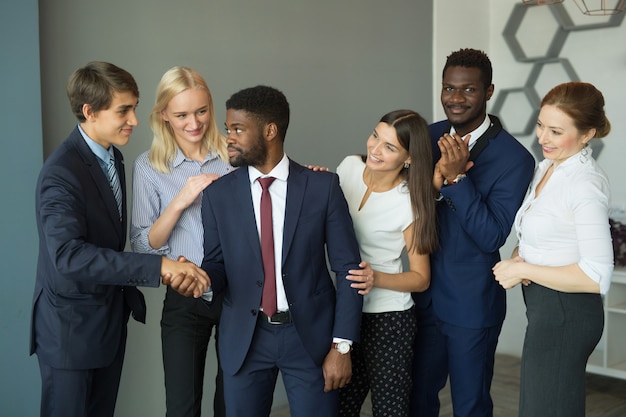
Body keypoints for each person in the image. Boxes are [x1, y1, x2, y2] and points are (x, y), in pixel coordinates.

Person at [30, 61, 209, 417]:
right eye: (123, 110)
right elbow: (69, 256)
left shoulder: (114, 157)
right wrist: (159, 265)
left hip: (105, 325)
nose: (135, 120)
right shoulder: (60, 173)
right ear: (89, 112)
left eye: (134, 107)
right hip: (71, 332)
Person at [200, 85, 365, 417]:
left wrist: (341, 346)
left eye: (237, 129)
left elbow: (348, 270)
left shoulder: (322, 188)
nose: (227, 137)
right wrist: (202, 281)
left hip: (310, 340)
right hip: (245, 340)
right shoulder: (218, 195)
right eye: (228, 128)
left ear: (270, 131)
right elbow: (216, 264)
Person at [409, 48, 535, 417]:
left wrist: (456, 178)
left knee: (470, 405)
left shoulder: (515, 159)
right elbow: (393, 191)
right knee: (417, 398)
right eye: (449, 89)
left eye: (468, 90)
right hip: (420, 293)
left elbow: (491, 236)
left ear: (489, 91)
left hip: (471, 302)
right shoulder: (426, 137)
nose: (456, 99)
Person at [493, 82, 613, 417]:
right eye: (541, 125)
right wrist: (522, 254)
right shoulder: (548, 167)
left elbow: (596, 275)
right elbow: (550, 233)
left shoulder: (585, 184)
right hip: (548, 310)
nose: (543, 138)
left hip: (567, 314)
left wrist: (523, 269)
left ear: (587, 133)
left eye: (556, 131)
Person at [130, 66, 230, 417]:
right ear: (163, 116)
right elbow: (143, 245)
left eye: (202, 111)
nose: (194, 123)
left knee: (234, 404)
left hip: (238, 294)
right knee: (182, 407)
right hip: (185, 297)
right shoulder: (148, 167)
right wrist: (181, 200)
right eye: (182, 115)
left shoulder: (234, 158)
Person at [336, 110, 438, 417]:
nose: (375, 148)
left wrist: (374, 278)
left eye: (389, 147)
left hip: (389, 319)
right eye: (376, 136)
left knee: (389, 410)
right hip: (345, 312)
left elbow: (421, 278)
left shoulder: (409, 202)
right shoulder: (348, 167)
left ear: (408, 158)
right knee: (340, 405)